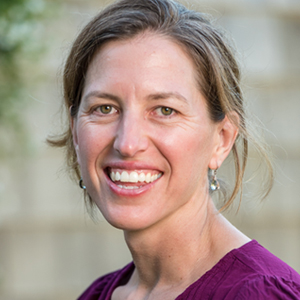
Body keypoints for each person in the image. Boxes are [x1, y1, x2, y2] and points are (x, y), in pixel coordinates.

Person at [49, 0, 300, 298]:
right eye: (105, 108)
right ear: (75, 130)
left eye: (165, 111)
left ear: (221, 139)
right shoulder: (99, 294)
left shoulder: (259, 294)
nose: (127, 143)